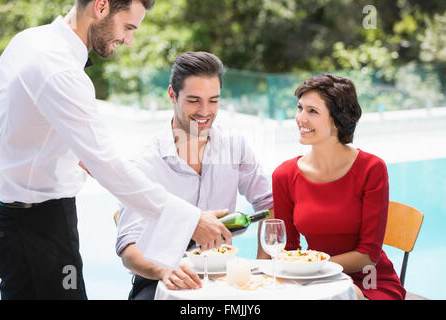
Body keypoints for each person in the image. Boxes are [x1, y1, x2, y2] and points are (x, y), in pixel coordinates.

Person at [0, 0, 230, 300]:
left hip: (10, 218)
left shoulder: (27, 41)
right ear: (102, 6)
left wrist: (74, 156)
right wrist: (191, 220)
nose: (128, 40)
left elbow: (21, 130)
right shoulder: (61, 70)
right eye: (128, 27)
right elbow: (108, 165)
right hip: (44, 225)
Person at [115, 51, 274, 300]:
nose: (205, 111)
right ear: (172, 95)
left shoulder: (234, 145)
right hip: (161, 278)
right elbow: (128, 249)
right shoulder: (144, 162)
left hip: (223, 276)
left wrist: (262, 268)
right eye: (193, 100)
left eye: (213, 100)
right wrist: (165, 270)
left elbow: (269, 204)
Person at [271, 73, 406, 300]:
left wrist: (312, 268)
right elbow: (289, 249)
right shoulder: (284, 175)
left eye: (312, 111)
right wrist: (306, 273)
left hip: (369, 283)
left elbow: (368, 255)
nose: (300, 118)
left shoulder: (371, 168)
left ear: (338, 120)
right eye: (299, 108)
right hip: (313, 280)